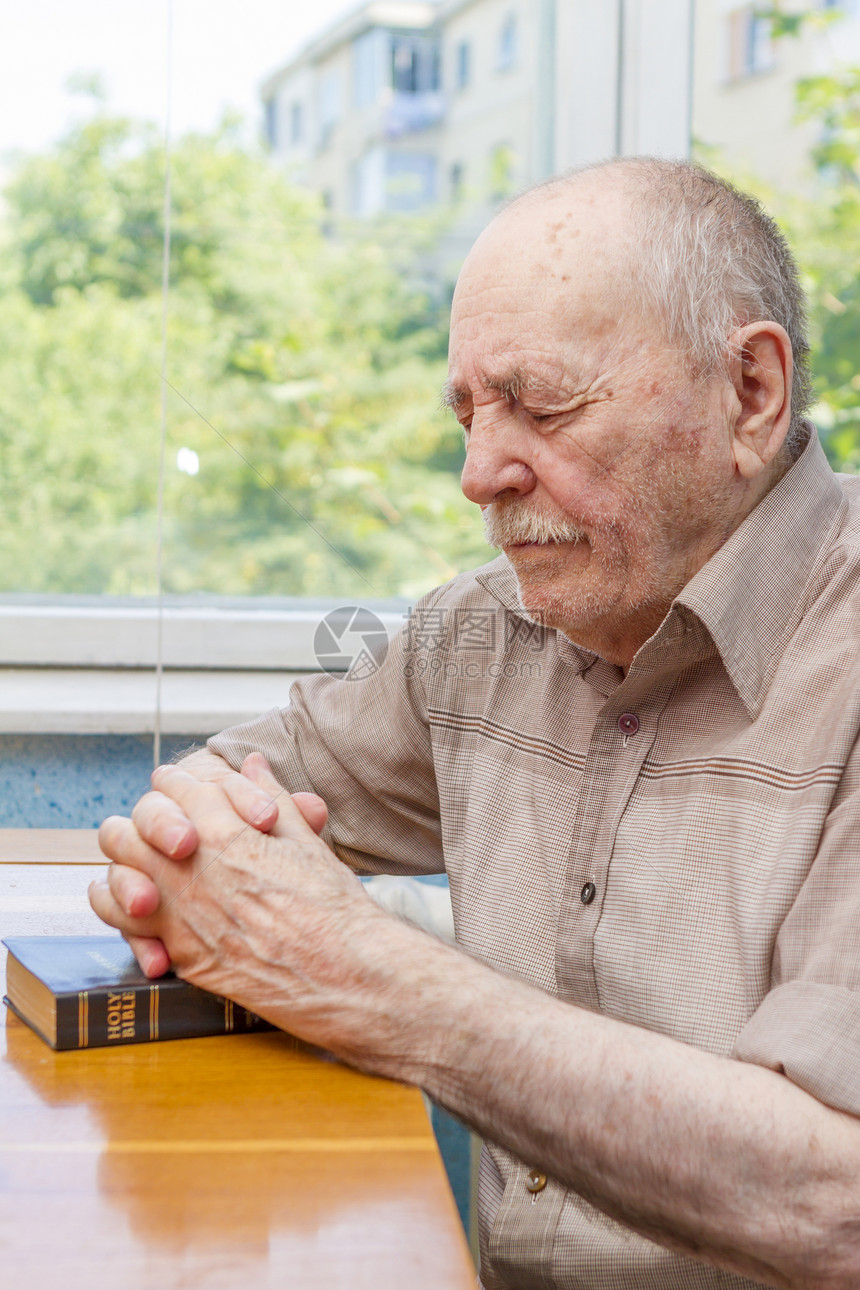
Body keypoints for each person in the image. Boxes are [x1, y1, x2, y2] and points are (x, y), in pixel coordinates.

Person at [90, 158, 860, 1290]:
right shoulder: (475, 637)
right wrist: (181, 859)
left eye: (540, 404)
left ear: (748, 391)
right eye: (466, 413)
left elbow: (834, 1202)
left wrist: (374, 983)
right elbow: (213, 801)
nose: (475, 472)